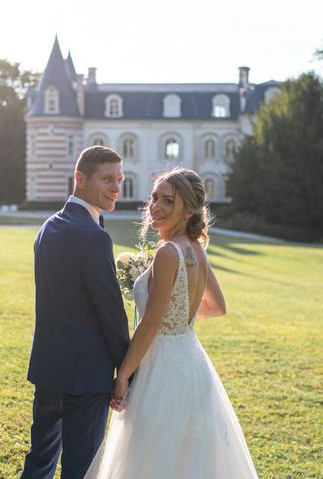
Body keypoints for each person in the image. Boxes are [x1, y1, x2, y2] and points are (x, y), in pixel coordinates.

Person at [86, 168, 259, 478]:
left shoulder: (168, 252)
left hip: (161, 369)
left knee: (151, 458)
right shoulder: (196, 249)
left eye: (168, 201)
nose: (156, 207)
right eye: (154, 198)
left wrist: (123, 375)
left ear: (189, 209)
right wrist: (178, 320)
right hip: (191, 361)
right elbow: (217, 307)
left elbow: (151, 324)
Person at [20, 146, 130, 479]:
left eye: (120, 180)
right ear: (80, 179)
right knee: (81, 470)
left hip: (48, 368)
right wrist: (128, 372)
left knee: (39, 460)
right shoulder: (94, 237)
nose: (115, 188)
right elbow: (111, 314)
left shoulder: (47, 227)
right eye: (107, 179)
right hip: (85, 377)